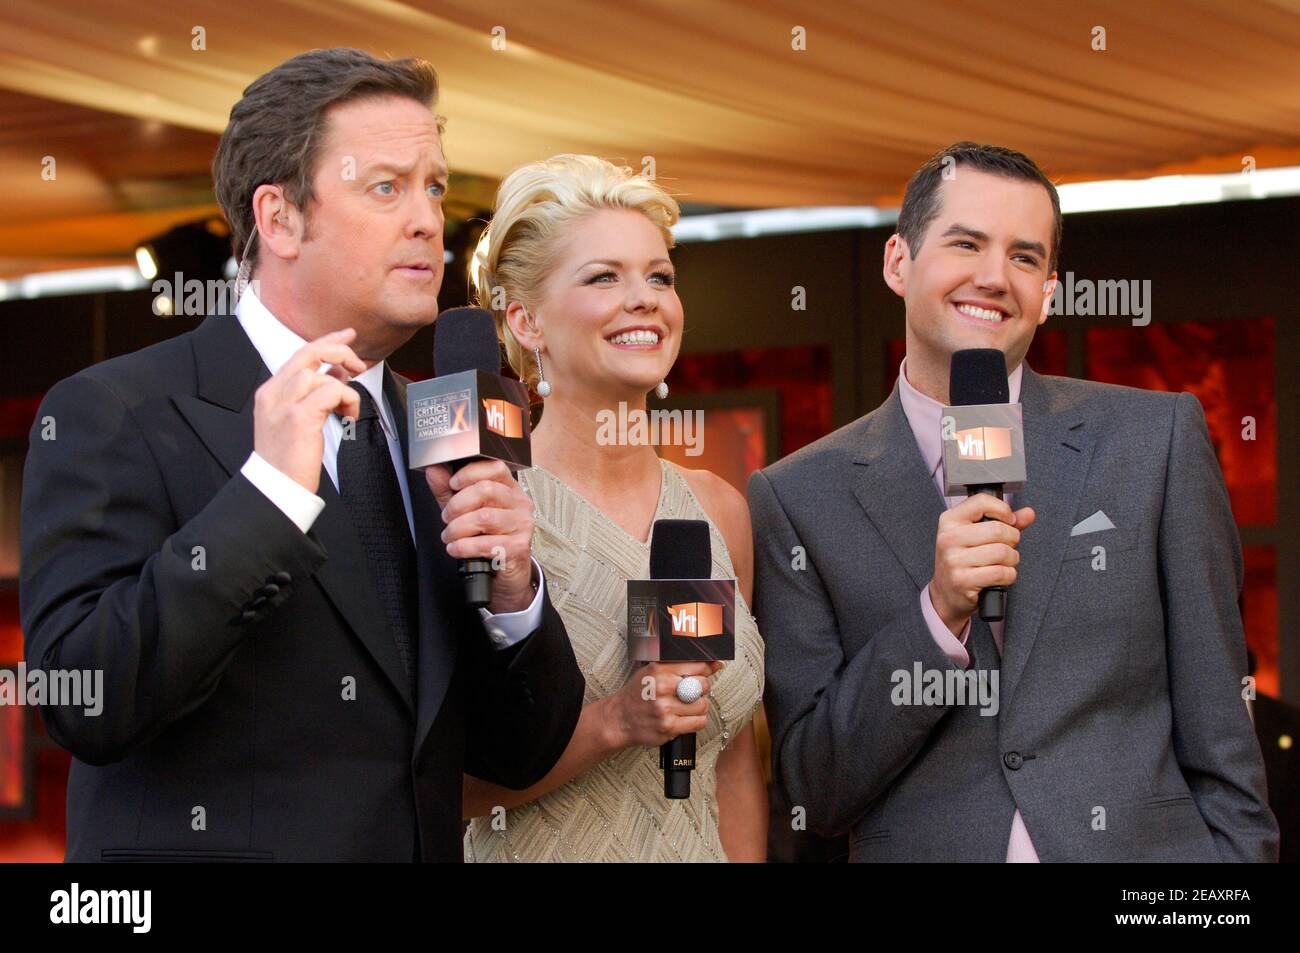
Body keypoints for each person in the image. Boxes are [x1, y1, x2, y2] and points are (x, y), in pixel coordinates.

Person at [19, 48, 584, 862]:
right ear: (280, 218)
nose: (427, 218)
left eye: (434, 186)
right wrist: (266, 500)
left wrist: (513, 595)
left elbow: (518, 754)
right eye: (386, 187)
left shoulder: (442, 427)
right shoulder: (115, 411)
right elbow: (89, 699)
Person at [750, 141, 1278, 861]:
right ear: (898, 262)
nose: (995, 278)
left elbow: (1222, 728)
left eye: (1025, 258)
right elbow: (815, 785)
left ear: (1050, 292)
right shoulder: (796, 495)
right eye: (966, 243)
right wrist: (937, 616)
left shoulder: (1155, 439)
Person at [460, 154, 767, 861]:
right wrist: (614, 721)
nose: (646, 298)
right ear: (526, 321)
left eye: (659, 276)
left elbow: (733, 762)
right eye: (604, 276)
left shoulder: (720, 511)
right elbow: (439, 786)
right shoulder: (482, 511)